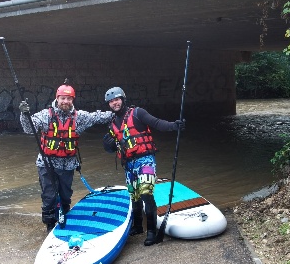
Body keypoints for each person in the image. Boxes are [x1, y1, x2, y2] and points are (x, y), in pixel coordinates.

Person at [19, 85, 114, 232]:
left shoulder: (80, 117)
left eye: (69, 99)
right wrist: (24, 114)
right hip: (47, 163)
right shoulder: (46, 115)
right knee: (49, 195)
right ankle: (50, 224)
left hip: (68, 164)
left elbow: (97, 117)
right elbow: (28, 128)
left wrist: (118, 112)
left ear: (72, 100)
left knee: (65, 195)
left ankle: (64, 216)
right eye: (63, 98)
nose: (65, 101)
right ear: (57, 99)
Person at [102, 87, 186, 246]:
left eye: (117, 99)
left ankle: (152, 232)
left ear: (123, 99)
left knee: (146, 193)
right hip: (128, 164)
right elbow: (111, 147)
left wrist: (174, 126)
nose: (115, 103)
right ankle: (138, 226)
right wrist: (108, 146)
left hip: (145, 159)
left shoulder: (138, 113)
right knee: (134, 195)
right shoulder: (112, 123)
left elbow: (157, 123)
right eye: (111, 101)